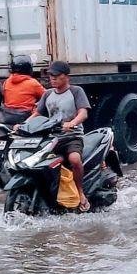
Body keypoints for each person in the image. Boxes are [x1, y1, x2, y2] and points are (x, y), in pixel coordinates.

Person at [33, 61, 91, 211]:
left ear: (66, 77)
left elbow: (83, 113)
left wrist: (72, 123)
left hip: (72, 136)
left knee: (74, 159)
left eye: (56, 76)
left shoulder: (76, 91)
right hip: (51, 138)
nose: (52, 79)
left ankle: (80, 192)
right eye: (51, 76)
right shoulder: (47, 94)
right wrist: (22, 125)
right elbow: (37, 114)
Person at [0, 55, 45, 125]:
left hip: (7, 116)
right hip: (26, 117)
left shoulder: (7, 82)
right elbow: (46, 96)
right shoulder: (33, 83)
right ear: (29, 68)